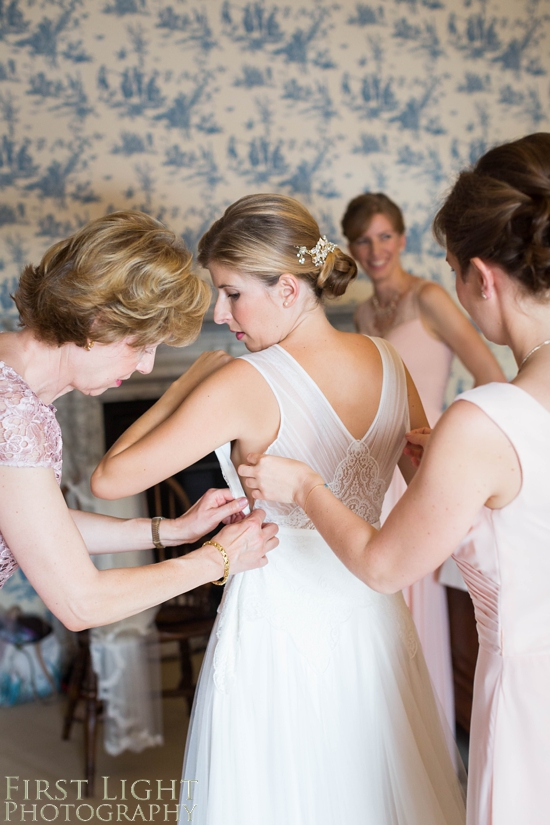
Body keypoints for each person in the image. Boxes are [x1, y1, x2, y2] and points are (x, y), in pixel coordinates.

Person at [93, 195, 465, 824]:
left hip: (277, 634)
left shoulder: (244, 381)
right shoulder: (389, 361)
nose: (220, 312)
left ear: (289, 289)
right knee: (375, 786)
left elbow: (108, 478)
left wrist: (183, 385)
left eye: (232, 293)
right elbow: (427, 481)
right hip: (372, 621)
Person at [240, 133, 550, 825]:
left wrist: (302, 486)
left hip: (535, 702)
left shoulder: (483, 421)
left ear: (480, 277)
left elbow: (384, 567)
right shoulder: (481, 427)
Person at [0, 210, 277, 631]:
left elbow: (31, 527)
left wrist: (172, 531)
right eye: (142, 345)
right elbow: (83, 604)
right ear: (98, 321)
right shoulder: (15, 414)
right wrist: (217, 558)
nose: (147, 366)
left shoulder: (12, 378)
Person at [343, 192, 505, 726]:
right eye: (364, 239)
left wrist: (454, 440)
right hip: (378, 464)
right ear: (351, 246)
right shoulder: (364, 313)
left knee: (421, 592)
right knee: (381, 595)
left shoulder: (431, 296)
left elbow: (492, 375)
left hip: (426, 460)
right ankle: (390, 731)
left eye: (385, 235)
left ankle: (429, 733)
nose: (375, 249)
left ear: (403, 239)